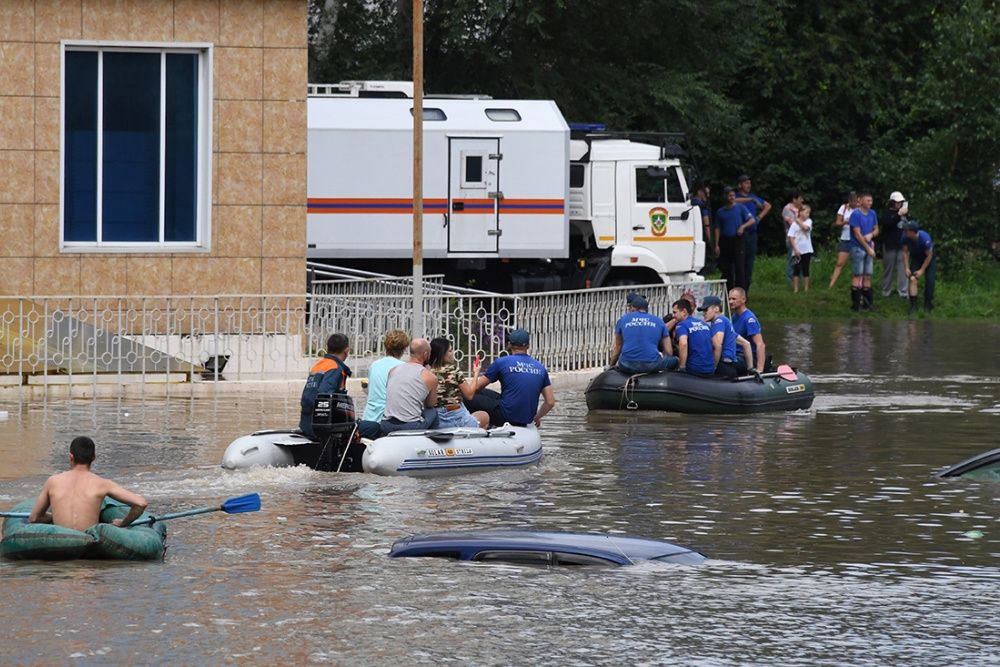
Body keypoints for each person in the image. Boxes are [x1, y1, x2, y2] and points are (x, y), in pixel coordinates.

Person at [29, 436, 148, 531]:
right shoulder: (103, 484)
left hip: (60, 541)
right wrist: (123, 523)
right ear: (94, 457)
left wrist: (54, 516)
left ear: (71, 456)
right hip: (87, 541)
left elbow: (34, 518)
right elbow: (141, 503)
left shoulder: (53, 481)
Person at [472, 329, 556, 428]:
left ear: (509, 344)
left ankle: (469, 423)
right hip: (526, 418)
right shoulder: (540, 367)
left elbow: (475, 388)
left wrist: (476, 373)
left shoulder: (502, 362)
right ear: (528, 346)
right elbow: (550, 402)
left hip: (506, 416)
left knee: (467, 395)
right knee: (484, 393)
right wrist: (537, 417)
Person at [427, 337, 489, 429]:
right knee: (485, 416)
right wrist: (476, 373)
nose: (452, 354)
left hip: (437, 419)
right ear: (442, 354)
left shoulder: (426, 372)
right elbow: (469, 395)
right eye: (450, 351)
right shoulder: (453, 370)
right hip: (457, 416)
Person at [380, 338, 439, 434]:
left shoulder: (393, 370)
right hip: (410, 427)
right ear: (425, 354)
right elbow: (430, 404)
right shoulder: (430, 377)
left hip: (386, 425)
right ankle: (433, 442)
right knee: (433, 412)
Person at [609, 293, 678, 375]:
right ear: (647, 309)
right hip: (652, 365)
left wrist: (611, 366)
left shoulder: (622, 320)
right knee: (676, 360)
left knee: (622, 358)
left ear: (632, 308)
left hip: (626, 364)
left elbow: (618, 347)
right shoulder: (659, 321)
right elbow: (669, 352)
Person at [299, 333, 352, 438]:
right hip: (321, 428)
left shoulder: (319, 365)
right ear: (346, 350)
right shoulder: (336, 368)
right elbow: (324, 396)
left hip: (306, 424)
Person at [734, 174, 772, 293]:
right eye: (746, 183)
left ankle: (745, 291)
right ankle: (737, 290)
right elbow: (733, 200)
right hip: (740, 234)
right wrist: (750, 200)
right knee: (739, 263)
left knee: (749, 264)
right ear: (740, 185)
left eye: (749, 183)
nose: (748, 185)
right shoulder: (737, 197)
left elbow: (767, 205)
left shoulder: (753, 197)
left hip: (752, 234)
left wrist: (759, 217)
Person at [698, 296, 753, 379]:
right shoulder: (725, 322)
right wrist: (750, 369)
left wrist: (714, 367)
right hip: (732, 365)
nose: (703, 313)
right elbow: (746, 344)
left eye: (706, 310)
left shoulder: (718, 321)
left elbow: (718, 345)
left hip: (723, 366)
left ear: (716, 309)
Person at [362, 329, 410, 422]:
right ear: (403, 349)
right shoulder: (403, 367)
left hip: (369, 417)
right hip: (387, 419)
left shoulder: (374, 365)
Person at [714, 186, 754, 292]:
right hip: (725, 240)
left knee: (739, 268)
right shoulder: (720, 212)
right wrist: (717, 244)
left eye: (733, 195)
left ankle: (741, 292)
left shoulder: (740, 208)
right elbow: (717, 228)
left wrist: (742, 226)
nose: (732, 197)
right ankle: (728, 291)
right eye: (729, 195)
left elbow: (751, 220)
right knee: (727, 268)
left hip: (738, 240)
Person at [849, 191, 879, 312]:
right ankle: (856, 305)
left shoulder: (873, 213)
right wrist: (868, 248)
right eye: (867, 200)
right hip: (858, 247)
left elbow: (877, 229)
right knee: (857, 274)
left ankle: (868, 304)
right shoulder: (856, 214)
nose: (870, 203)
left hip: (869, 245)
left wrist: (871, 235)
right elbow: (857, 233)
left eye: (871, 201)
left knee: (868, 274)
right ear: (860, 201)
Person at [728, 287, 766, 374]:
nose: (730, 302)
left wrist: (760, 369)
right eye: (729, 299)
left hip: (747, 357)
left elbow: (760, 344)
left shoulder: (749, 319)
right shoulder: (734, 317)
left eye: (734, 299)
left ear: (743, 300)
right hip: (736, 354)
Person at [672, 298, 714, 376]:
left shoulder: (682, 325)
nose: (673, 316)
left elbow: (683, 343)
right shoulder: (704, 324)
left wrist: (682, 367)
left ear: (684, 312)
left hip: (694, 369)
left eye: (675, 312)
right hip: (710, 368)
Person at [901, 220, 936, 314]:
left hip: (928, 258)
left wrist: (922, 270)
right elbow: (905, 252)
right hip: (916, 257)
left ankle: (928, 304)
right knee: (912, 279)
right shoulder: (905, 237)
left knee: (930, 280)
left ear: (913, 231)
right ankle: (913, 306)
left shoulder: (925, 239)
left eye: (907, 230)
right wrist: (906, 267)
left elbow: (929, 255)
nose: (904, 231)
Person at [880, 191, 909, 298]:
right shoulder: (887, 213)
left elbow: (907, 227)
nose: (899, 204)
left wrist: (904, 214)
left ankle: (903, 292)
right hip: (890, 245)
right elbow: (887, 223)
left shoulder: (903, 213)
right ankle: (886, 290)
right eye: (897, 202)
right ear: (892, 202)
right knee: (888, 269)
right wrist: (898, 215)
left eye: (901, 202)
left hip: (901, 245)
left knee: (902, 269)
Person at [829, 192, 859, 289]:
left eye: (856, 201)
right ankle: (831, 285)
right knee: (840, 263)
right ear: (849, 201)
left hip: (857, 239)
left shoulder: (860, 209)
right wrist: (846, 222)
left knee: (857, 263)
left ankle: (856, 285)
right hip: (845, 237)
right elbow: (837, 222)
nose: (855, 204)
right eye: (853, 202)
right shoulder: (844, 208)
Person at [787, 204, 814, 293]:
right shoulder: (794, 225)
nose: (808, 214)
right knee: (796, 269)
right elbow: (791, 237)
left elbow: (806, 228)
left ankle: (806, 288)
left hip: (807, 250)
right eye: (806, 212)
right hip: (797, 251)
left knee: (806, 268)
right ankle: (796, 289)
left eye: (809, 213)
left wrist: (798, 221)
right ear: (801, 213)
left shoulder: (809, 221)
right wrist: (795, 249)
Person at [781, 191, 804, 284]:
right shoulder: (787, 209)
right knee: (792, 260)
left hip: (802, 239)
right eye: (800, 198)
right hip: (792, 239)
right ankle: (790, 281)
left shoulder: (801, 208)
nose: (802, 200)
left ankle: (800, 280)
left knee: (801, 260)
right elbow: (791, 223)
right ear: (794, 199)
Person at [691, 182, 714, 275]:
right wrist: (710, 239)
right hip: (701, 234)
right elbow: (706, 223)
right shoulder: (702, 206)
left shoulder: (691, 202)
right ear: (699, 192)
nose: (707, 196)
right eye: (706, 193)